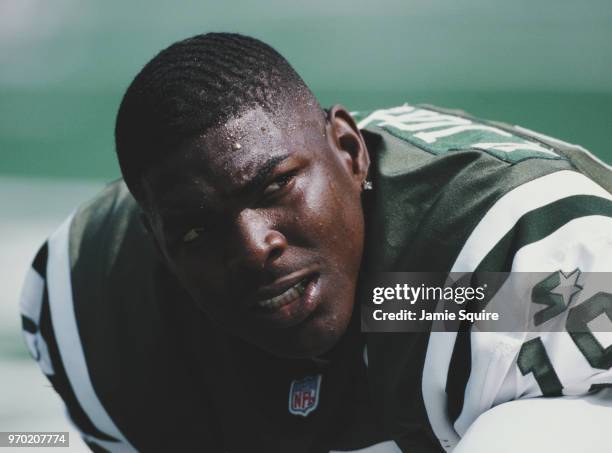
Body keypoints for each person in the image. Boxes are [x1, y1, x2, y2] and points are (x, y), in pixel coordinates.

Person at [19, 33, 612, 453]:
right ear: (156, 238)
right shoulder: (95, 301)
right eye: (197, 230)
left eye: (276, 185)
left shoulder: (501, 263)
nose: (254, 247)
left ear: (351, 153)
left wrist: (421, 309)